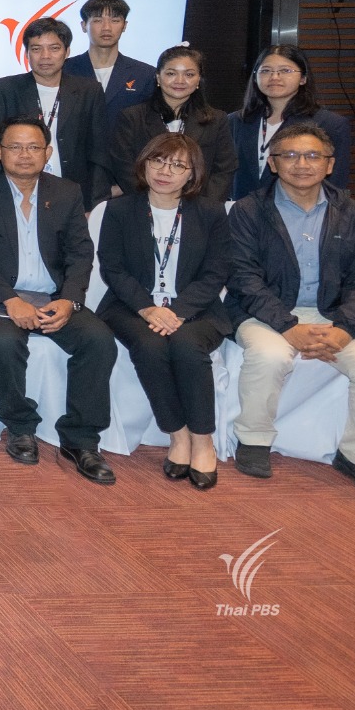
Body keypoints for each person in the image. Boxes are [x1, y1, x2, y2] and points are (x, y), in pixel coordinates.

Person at [228, 121, 355, 499]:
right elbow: (243, 278)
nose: (301, 164)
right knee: (269, 356)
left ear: (330, 164)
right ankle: (253, 440)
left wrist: (346, 329)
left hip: (336, 315)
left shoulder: (354, 213)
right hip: (266, 314)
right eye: (289, 155)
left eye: (312, 156)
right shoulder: (248, 210)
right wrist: (287, 326)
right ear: (273, 163)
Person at [0, 118, 116, 484]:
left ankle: (81, 439)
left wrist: (70, 300)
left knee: (99, 340)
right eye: (15, 147)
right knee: (4, 341)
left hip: (52, 296)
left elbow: (80, 254)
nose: (24, 155)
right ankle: (21, 426)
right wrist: (10, 301)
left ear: (47, 152)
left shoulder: (67, 192)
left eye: (33, 147)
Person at [96, 132, 232, 490]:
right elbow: (113, 268)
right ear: (144, 164)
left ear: (192, 174)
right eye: (157, 161)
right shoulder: (120, 210)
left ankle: (203, 440)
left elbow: (216, 271)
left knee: (187, 345)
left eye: (177, 165)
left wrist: (179, 311)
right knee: (150, 345)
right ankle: (178, 435)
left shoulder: (211, 213)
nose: (165, 171)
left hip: (195, 306)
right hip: (131, 305)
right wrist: (146, 308)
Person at [0, 17, 105, 209]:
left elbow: (99, 153)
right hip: (16, 194)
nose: (45, 56)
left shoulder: (89, 91)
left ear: (67, 52)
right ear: (27, 53)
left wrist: (95, 206)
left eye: (54, 48)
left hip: (74, 195)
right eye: (36, 49)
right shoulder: (6, 89)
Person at [105, 45, 238, 202]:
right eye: (171, 73)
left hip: (198, 207)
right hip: (143, 204)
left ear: (198, 80)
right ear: (158, 77)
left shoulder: (216, 120)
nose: (180, 81)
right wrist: (156, 203)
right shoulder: (132, 117)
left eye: (189, 74)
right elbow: (124, 168)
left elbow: (224, 170)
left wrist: (200, 206)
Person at [227, 44, 354, 198]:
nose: (274, 77)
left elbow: (335, 184)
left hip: (300, 210)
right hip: (242, 210)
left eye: (285, 71)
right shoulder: (234, 121)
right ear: (255, 77)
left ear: (303, 78)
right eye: (266, 71)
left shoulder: (331, 124)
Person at [64, 0, 157, 131]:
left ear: (124, 26)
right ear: (83, 25)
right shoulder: (65, 70)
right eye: (97, 20)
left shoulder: (145, 74)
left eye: (115, 20)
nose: (106, 27)